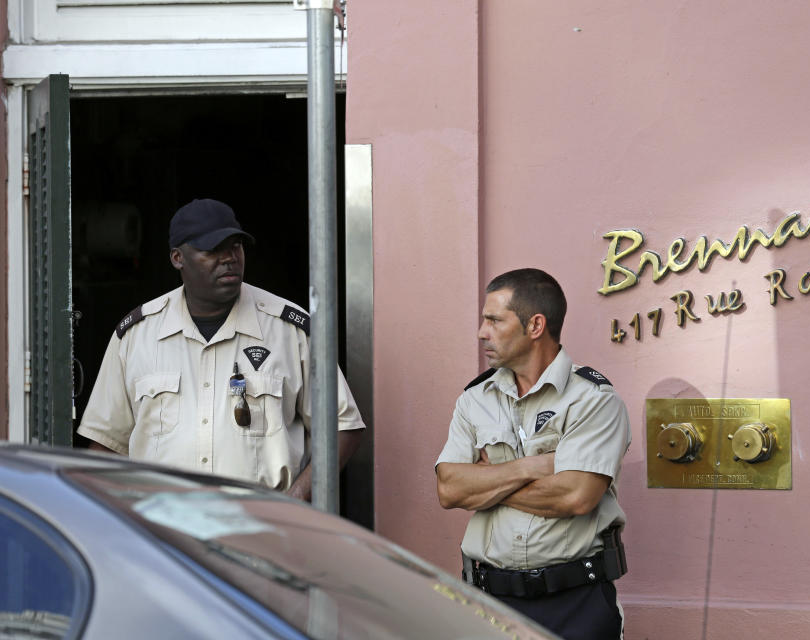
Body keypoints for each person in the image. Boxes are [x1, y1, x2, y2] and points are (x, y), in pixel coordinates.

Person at [78, 198, 365, 500]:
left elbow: (342, 427)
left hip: (261, 528)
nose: (229, 258)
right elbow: (107, 444)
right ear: (178, 258)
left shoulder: (289, 330)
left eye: (235, 246)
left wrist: (296, 497)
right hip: (164, 531)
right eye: (213, 249)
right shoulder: (137, 335)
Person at [435, 268, 631, 640]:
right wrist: (534, 466)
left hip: (576, 605)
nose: (482, 332)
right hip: (487, 603)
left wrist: (487, 480)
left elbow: (576, 495)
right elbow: (449, 490)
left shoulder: (593, 400)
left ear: (535, 325)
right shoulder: (474, 400)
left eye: (494, 320)